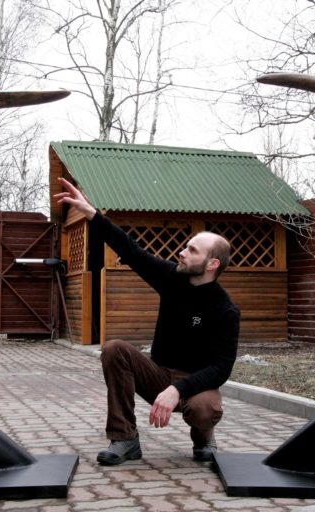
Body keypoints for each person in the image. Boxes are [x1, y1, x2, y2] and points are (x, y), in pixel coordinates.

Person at [55, 177, 240, 465]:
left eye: (192, 250)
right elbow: (131, 250)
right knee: (115, 349)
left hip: (194, 384)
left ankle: (204, 439)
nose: (182, 252)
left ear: (212, 264)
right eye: (186, 246)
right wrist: (91, 214)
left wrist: (178, 389)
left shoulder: (225, 309)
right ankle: (125, 438)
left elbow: (221, 368)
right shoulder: (172, 278)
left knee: (206, 407)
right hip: (156, 372)